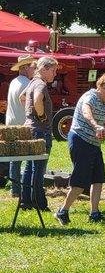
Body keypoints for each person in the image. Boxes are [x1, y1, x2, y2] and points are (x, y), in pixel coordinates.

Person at [54, 73, 105, 225]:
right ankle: (62, 211)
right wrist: (96, 125)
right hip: (80, 141)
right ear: (103, 87)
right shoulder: (90, 97)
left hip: (93, 144)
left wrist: (100, 130)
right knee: (80, 182)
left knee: (98, 179)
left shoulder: (102, 102)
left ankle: (94, 213)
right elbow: (86, 111)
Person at [21, 56, 58, 211]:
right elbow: (37, 100)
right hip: (40, 131)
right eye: (54, 71)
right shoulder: (40, 84)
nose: (55, 74)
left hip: (30, 129)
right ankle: (39, 202)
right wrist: (41, 117)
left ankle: (26, 200)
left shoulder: (31, 82)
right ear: (44, 68)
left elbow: (22, 97)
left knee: (30, 167)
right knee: (39, 169)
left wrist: (30, 116)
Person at [6, 54, 36, 198]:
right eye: (32, 67)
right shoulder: (27, 84)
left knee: (15, 158)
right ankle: (25, 190)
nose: (34, 69)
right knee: (30, 158)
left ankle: (15, 190)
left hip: (11, 123)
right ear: (25, 68)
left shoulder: (14, 82)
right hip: (22, 124)